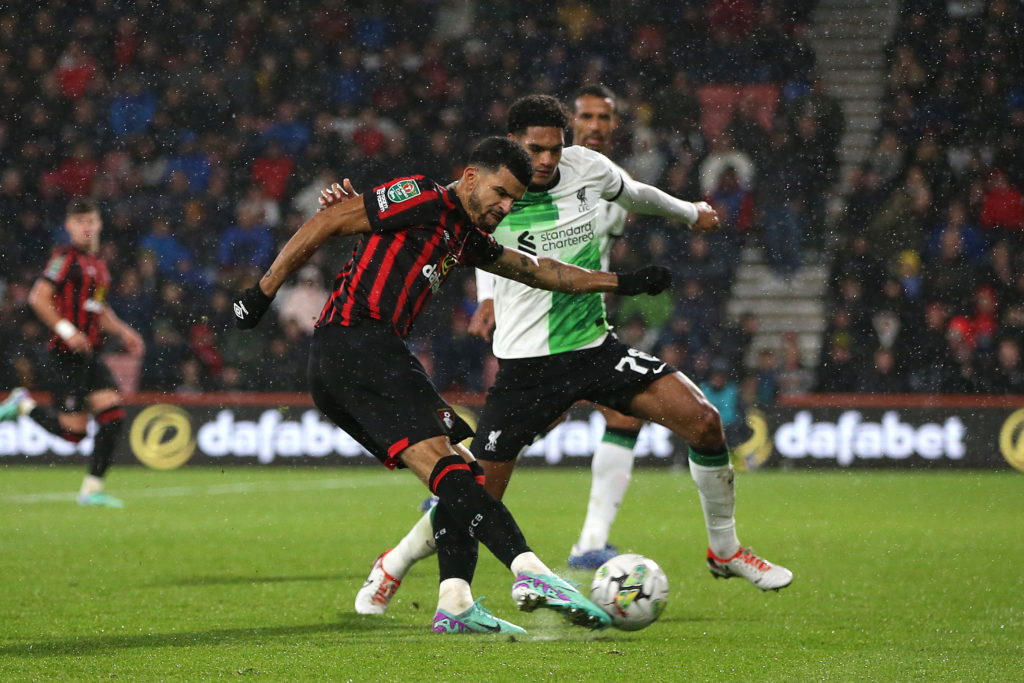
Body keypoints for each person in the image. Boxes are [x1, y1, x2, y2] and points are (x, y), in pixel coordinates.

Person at [355, 95, 792, 618]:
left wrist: (689, 212)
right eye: (535, 149)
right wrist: (488, 293)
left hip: (593, 348)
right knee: (474, 497)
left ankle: (725, 550)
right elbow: (458, 234)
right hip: (526, 367)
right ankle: (395, 563)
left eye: (554, 149)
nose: (546, 160)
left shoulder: (586, 167)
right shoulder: (493, 193)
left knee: (703, 420)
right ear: (514, 143)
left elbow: (634, 193)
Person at [232, 136, 673, 634]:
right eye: (500, 193)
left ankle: (456, 601)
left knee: (463, 474)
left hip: (368, 357)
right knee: (452, 470)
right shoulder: (421, 195)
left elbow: (540, 271)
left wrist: (624, 283)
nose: (505, 207)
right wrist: (261, 293)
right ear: (469, 177)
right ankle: (531, 571)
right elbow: (328, 220)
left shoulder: (464, 238)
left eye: (513, 201)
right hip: (356, 344)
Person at [474, 85, 648, 569]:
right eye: (587, 117)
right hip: (536, 321)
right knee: (528, 430)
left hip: (584, 321)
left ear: (614, 125)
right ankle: (458, 488)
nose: (595, 125)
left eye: (604, 118)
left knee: (621, 416)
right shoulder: (529, 177)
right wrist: (486, 298)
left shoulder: (609, 181)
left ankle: (591, 540)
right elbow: (491, 232)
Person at [0, 198, 145, 507]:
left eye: (91, 221)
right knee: (73, 435)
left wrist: (124, 332)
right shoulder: (65, 258)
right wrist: (67, 330)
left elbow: (99, 308)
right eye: (80, 223)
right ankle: (23, 404)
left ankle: (92, 490)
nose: (86, 228)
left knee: (114, 415)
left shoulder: (100, 267)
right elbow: (38, 297)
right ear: (68, 227)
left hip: (90, 356)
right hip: (64, 355)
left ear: (99, 224)